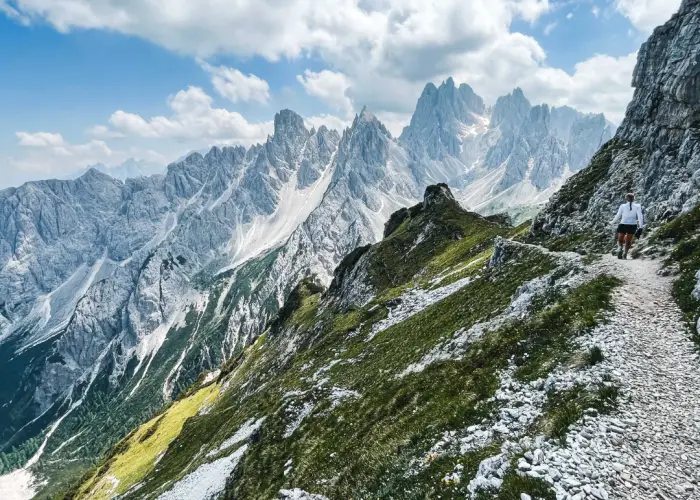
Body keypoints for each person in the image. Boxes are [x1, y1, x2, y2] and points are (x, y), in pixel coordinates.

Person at [610, 193, 645, 259]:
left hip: (623, 224)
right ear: (634, 198)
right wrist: (641, 227)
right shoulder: (638, 206)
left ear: (626, 199)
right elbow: (640, 216)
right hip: (632, 225)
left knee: (620, 239)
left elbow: (618, 215)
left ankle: (620, 248)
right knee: (628, 240)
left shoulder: (622, 206)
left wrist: (612, 222)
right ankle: (625, 253)